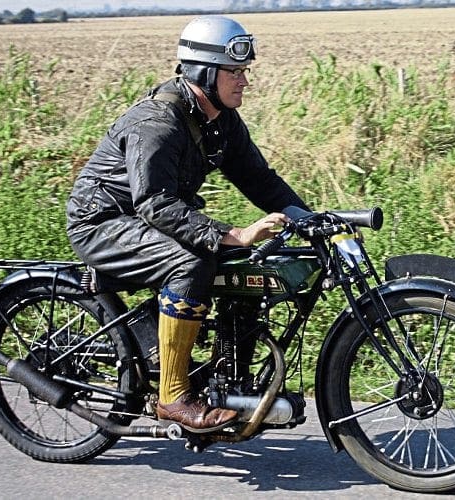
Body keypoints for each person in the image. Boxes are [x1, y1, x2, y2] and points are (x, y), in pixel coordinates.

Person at [65, 15, 308, 432]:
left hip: (146, 219)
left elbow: (259, 179)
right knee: (192, 262)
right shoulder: (158, 121)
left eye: (244, 71)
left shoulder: (221, 120)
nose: (244, 81)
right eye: (234, 72)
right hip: (102, 222)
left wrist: (311, 220)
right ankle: (173, 396)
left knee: (246, 262)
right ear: (203, 72)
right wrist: (229, 234)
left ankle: (230, 384)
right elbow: (153, 201)